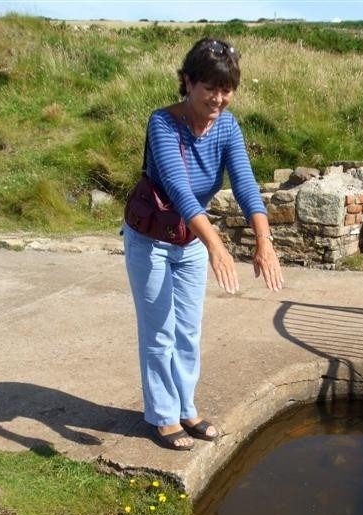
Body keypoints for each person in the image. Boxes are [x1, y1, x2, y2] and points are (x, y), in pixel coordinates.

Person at [123, 37, 283, 451]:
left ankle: (186, 408)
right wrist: (217, 245)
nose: (219, 98)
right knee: (159, 332)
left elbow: (245, 183)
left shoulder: (227, 125)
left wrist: (263, 240)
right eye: (210, 87)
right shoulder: (162, 122)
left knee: (188, 332)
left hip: (189, 241)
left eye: (227, 89)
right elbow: (178, 188)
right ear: (188, 82)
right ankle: (162, 416)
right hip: (152, 241)